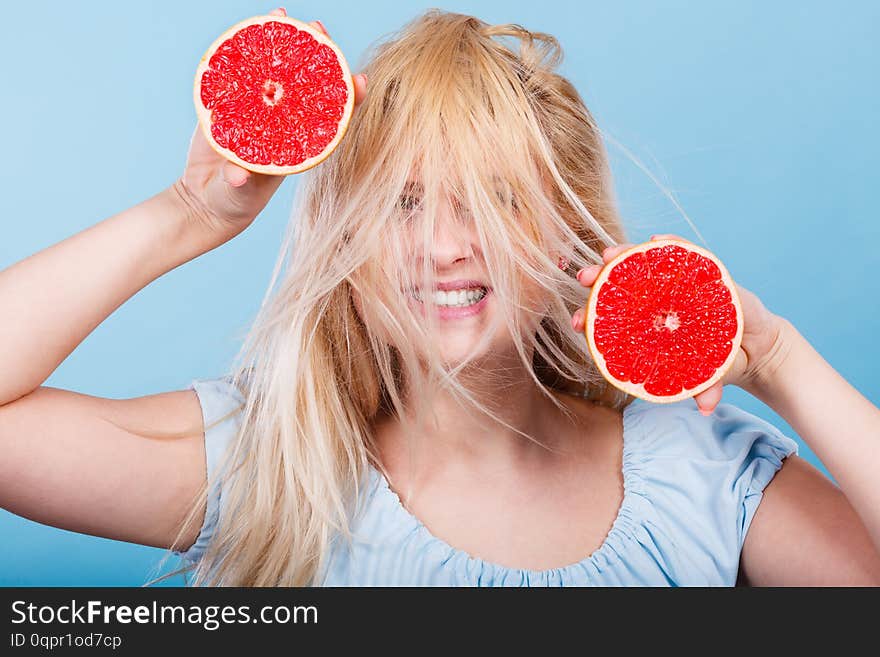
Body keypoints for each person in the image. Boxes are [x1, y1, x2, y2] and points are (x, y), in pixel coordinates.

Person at [1, 7, 879, 587]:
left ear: (568, 239)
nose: (446, 247)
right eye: (402, 202)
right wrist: (188, 212)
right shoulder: (269, 466)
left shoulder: (704, 471)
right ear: (344, 242)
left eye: (496, 198)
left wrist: (779, 360)